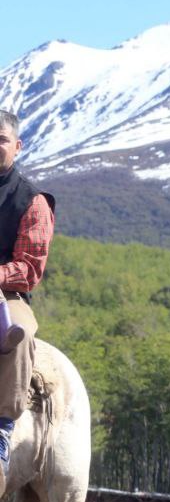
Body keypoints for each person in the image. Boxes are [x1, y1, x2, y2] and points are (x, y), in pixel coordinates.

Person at [0, 110, 54, 482]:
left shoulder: (31, 200)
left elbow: (29, 268)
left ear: (17, 147)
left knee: (18, 333)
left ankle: (2, 426)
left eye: (0, 139)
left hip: (8, 294)